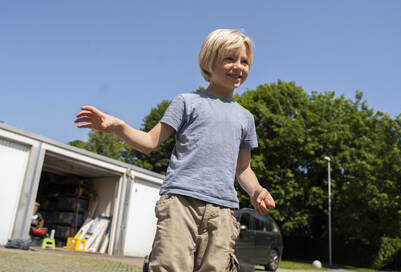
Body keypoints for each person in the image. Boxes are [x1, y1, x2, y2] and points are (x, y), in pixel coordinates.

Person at [74, 29, 275, 271]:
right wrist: (119, 127)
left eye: (244, 61)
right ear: (209, 62)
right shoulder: (187, 103)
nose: (238, 66)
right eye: (230, 59)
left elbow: (243, 169)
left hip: (223, 210)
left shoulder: (246, 118)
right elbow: (149, 142)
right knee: (169, 266)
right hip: (181, 202)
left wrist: (256, 190)